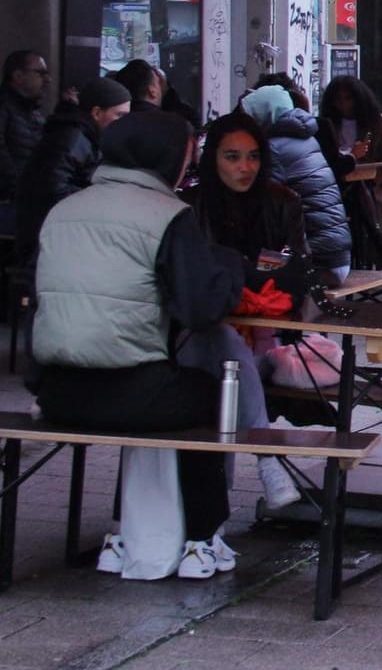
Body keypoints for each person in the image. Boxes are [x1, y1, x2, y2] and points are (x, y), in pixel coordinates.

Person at [33, 111, 247, 580]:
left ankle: (121, 534)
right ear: (168, 158)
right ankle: (201, 538)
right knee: (208, 394)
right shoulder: (168, 215)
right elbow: (201, 308)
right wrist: (229, 266)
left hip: (55, 393)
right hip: (132, 393)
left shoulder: (64, 210)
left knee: (168, 391)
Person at [177, 110, 309, 509]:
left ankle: (218, 507)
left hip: (264, 325)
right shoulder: (189, 206)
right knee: (231, 361)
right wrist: (253, 273)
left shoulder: (282, 201)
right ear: (212, 157)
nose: (245, 167)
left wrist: (243, 273)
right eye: (232, 157)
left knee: (239, 364)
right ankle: (266, 463)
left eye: (253, 156)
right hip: (202, 330)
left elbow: (293, 268)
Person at [13, 77, 131, 271]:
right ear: (96, 113)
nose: (124, 123)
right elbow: (53, 188)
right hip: (47, 239)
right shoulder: (73, 139)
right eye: (119, 115)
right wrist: (99, 200)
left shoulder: (83, 137)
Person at [240, 84, 353, 286]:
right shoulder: (307, 139)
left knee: (242, 271)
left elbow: (268, 206)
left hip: (315, 262)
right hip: (337, 257)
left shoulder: (272, 148)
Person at [319, 75, 382, 247]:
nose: (343, 104)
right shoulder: (328, 124)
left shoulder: (377, 122)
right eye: (338, 100)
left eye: (348, 99)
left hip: (373, 187)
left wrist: (371, 175)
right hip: (339, 183)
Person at [1, 49, 51, 209]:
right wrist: (17, 187)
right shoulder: (4, 107)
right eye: (40, 73)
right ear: (18, 76)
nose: (47, 80)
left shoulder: (32, 110)